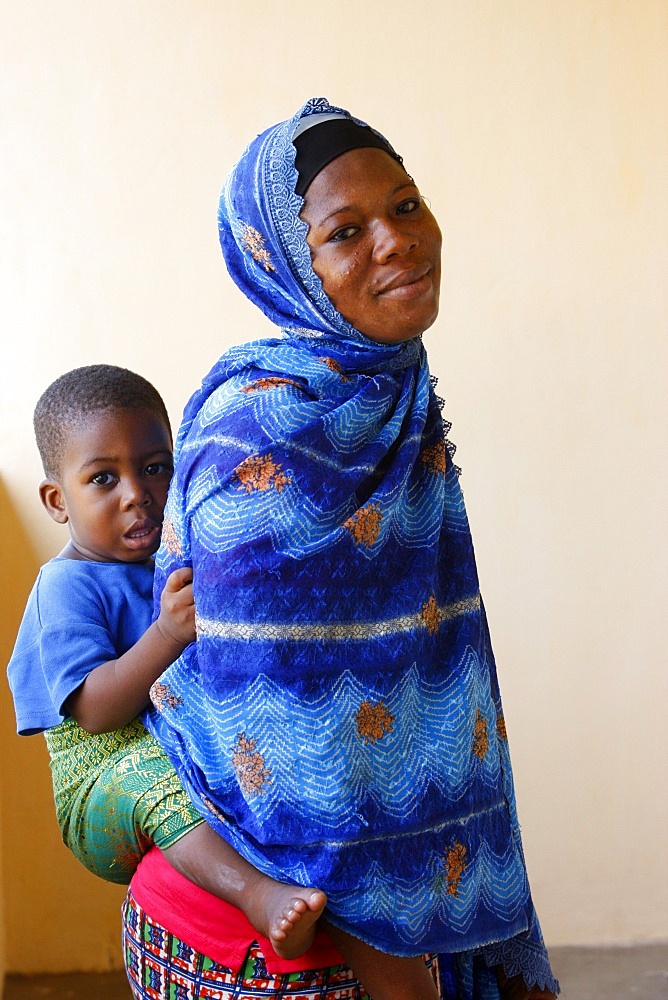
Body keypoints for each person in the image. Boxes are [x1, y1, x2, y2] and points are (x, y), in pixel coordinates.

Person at [132, 98, 559, 1000]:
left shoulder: (393, 393)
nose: (397, 241)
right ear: (284, 263)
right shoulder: (257, 430)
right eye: (345, 231)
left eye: (406, 206)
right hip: (281, 829)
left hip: (407, 800)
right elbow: (283, 722)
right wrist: (400, 941)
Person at [6, 364, 329, 959]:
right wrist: (166, 634)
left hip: (174, 745)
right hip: (100, 782)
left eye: (155, 468)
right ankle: (257, 896)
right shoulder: (67, 586)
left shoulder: (173, 558)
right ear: (57, 501)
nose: (137, 494)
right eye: (103, 478)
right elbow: (96, 711)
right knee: (160, 781)